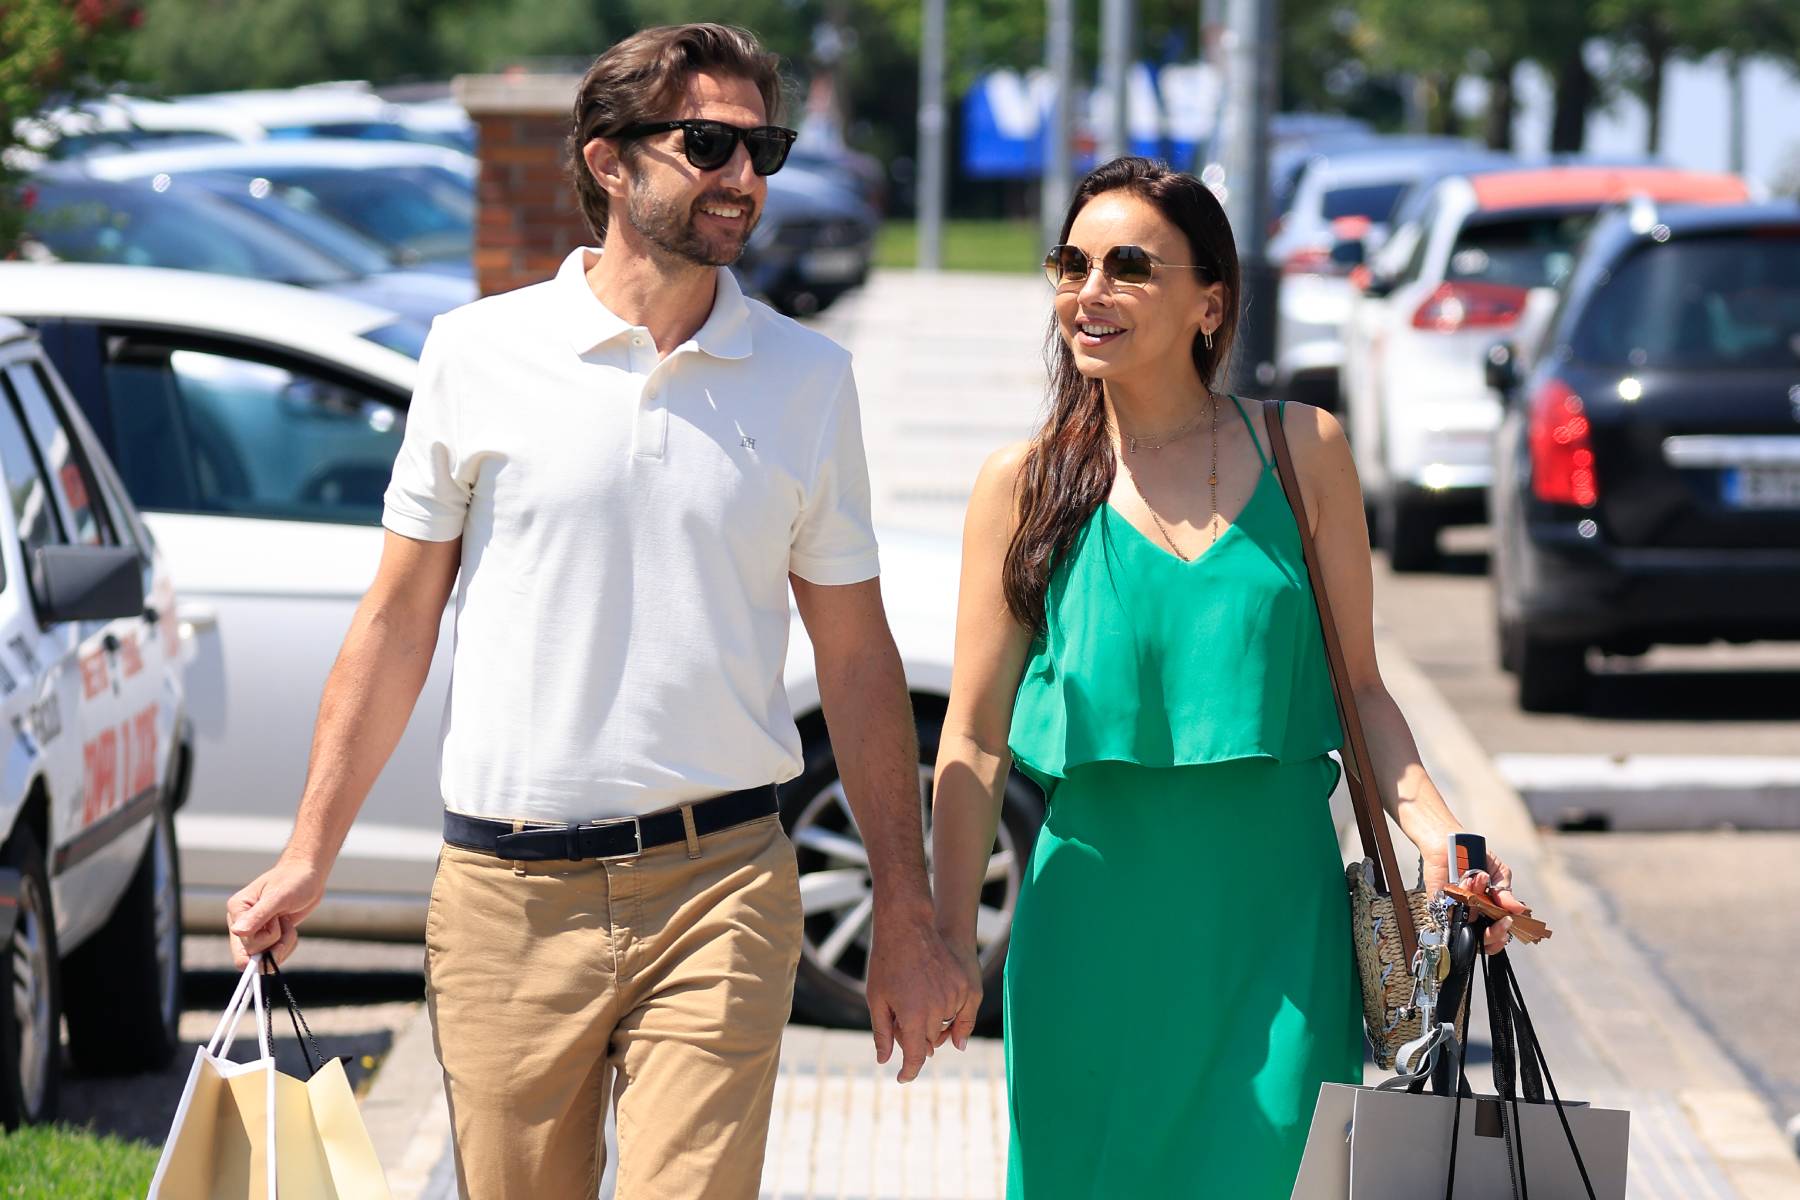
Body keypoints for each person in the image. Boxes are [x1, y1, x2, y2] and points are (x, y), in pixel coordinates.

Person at [225, 23, 969, 1199]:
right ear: (610, 161)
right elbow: (396, 621)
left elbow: (859, 659)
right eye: (710, 144)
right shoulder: (474, 353)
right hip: (508, 901)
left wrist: (908, 911)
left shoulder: (809, 381)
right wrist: (309, 851)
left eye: (762, 147)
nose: (745, 179)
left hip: (720, 883)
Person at [927, 156, 1531, 1197]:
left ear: (1211, 302)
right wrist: (939, 940)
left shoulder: (1306, 451)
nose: (1089, 291)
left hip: (1278, 942)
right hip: (1090, 945)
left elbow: (1363, 695)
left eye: (1127, 266)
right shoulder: (1022, 487)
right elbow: (975, 740)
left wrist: (1448, 843)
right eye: (1071, 265)